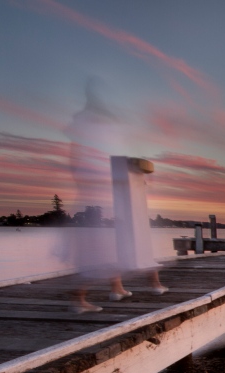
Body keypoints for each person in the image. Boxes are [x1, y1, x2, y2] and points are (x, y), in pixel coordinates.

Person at [64, 79, 166, 313]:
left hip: (105, 184)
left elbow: (89, 155)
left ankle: (117, 288)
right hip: (103, 186)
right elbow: (87, 154)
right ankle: (79, 297)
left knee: (117, 238)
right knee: (113, 242)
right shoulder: (94, 121)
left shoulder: (90, 120)